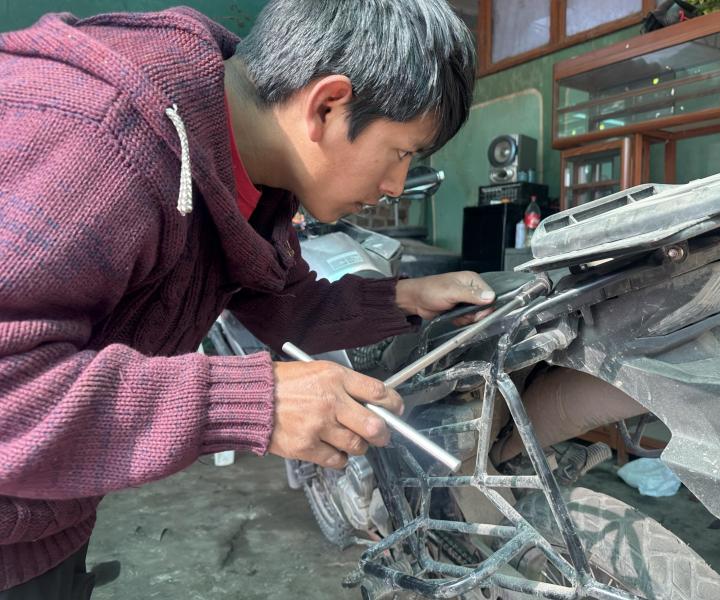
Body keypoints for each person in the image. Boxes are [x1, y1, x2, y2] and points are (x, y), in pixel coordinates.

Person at [0, 1, 492, 597]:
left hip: (44, 519)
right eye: (401, 152)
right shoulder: (99, 141)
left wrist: (405, 298)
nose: (394, 186)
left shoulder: (252, 174)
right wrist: (252, 402)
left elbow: (283, 306)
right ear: (328, 106)